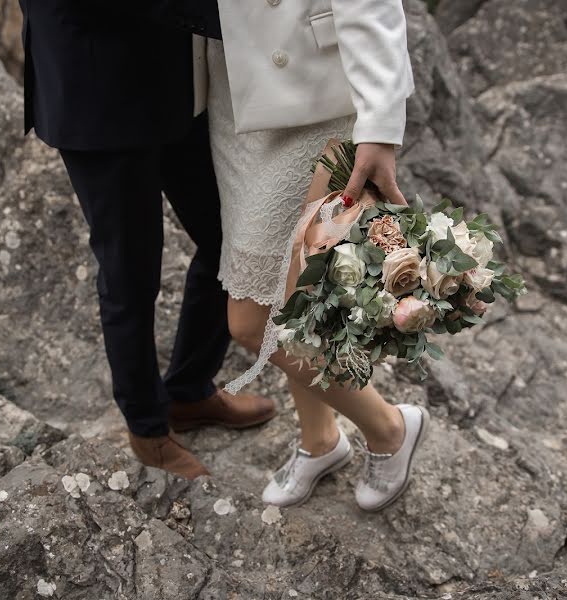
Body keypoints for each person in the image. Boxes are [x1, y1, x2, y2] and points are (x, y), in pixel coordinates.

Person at [17, 0, 276, 479]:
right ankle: (148, 428)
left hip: (175, 80)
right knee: (131, 271)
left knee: (232, 237)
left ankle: (189, 390)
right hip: (96, 88)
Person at [207, 0, 429, 511]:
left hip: (315, 92)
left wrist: (380, 122)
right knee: (293, 300)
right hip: (234, 93)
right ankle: (320, 439)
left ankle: (390, 426)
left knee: (251, 321)